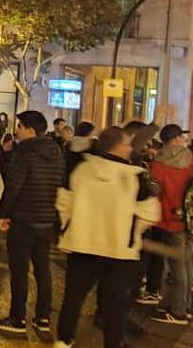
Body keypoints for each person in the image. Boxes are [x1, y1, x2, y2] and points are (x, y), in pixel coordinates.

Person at [55, 127, 162, 348]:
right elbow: (151, 213)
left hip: (81, 245)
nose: (130, 148)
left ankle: (64, 341)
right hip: (119, 251)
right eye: (127, 144)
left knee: (73, 299)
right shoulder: (135, 176)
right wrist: (132, 230)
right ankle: (112, 343)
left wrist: (71, 226)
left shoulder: (82, 169)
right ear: (119, 147)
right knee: (116, 305)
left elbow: (63, 201)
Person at [0, 111, 65, 334]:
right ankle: (43, 317)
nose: (17, 131)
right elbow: (60, 183)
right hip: (46, 219)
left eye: (20, 127)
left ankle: (17, 318)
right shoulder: (56, 152)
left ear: (31, 130)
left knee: (19, 271)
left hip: (23, 219)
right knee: (43, 270)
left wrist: (3, 214)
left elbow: (14, 186)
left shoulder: (24, 152)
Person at [148, 124, 193, 325]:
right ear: (174, 139)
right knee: (187, 264)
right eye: (181, 137)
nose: (183, 140)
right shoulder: (190, 160)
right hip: (189, 219)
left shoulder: (157, 164)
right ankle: (186, 305)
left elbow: (155, 193)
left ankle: (179, 311)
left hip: (169, 219)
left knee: (177, 267)